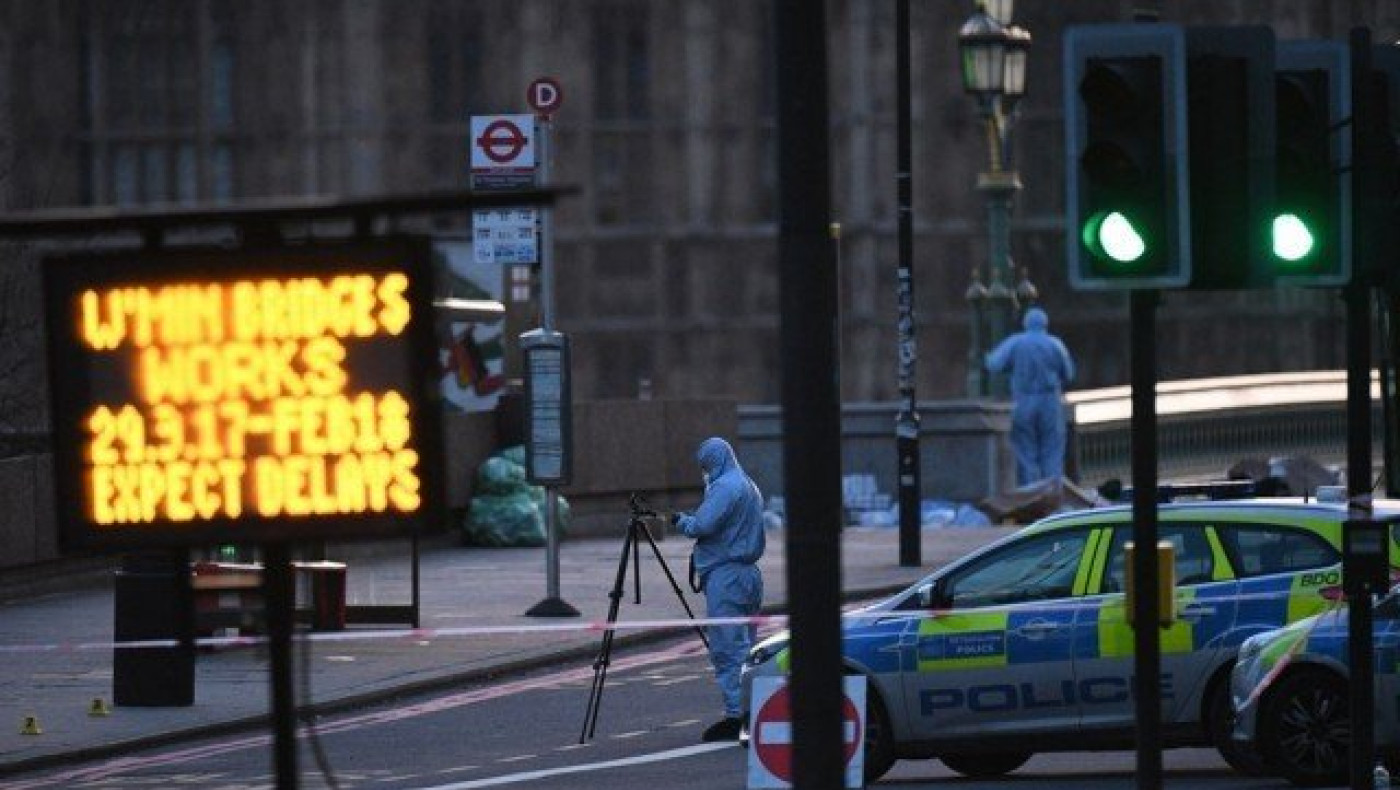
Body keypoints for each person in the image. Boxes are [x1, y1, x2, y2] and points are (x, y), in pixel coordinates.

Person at [671, 436, 766, 742]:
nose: (704, 471)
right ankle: (754, 709)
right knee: (748, 648)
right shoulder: (749, 484)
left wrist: (681, 521)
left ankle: (736, 716)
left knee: (727, 649)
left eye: (705, 465)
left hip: (727, 576)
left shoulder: (725, 487)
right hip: (750, 574)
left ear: (714, 461)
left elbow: (702, 525)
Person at [985, 306, 1076, 486]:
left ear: (1025, 323)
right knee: (1051, 452)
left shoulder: (1016, 342)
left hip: (1023, 400)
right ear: (1045, 324)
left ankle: (1031, 494)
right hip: (1050, 401)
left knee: (1026, 452)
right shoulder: (1055, 344)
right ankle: (1053, 495)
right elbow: (1069, 373)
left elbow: (994, 364)